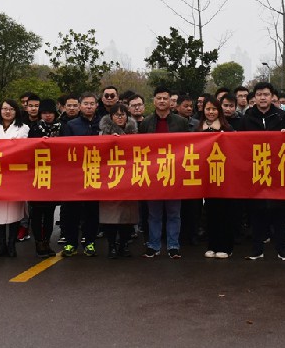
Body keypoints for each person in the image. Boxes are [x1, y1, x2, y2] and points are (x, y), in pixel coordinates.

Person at [240, 81, 285, 262]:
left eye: (266, 94)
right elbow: (240, 144)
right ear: (254, 97)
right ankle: (257, 250)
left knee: (279, 211)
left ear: (272, 97)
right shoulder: (247, 118)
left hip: (277, 169)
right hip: (255, 169)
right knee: (257, 211)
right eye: (259, 94)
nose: (262, 98)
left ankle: (282, 250)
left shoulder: (281, 116)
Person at [138, 86, 191, 259]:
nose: (162, 101)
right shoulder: (146, 123)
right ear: (154, 101)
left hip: (174, 172)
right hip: (153, 173)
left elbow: (188, 145)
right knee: (154, 214)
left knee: (174, 213)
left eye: (165, 98)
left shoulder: (181, 122)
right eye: (159, 98)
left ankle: (173, 245)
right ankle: (153, 245)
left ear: (170, 101)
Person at [59, 93, 103, 257]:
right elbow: (63, 147)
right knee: (72, 210)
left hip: (96, 172)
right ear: (80, 106)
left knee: (92, 210)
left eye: (92, 103)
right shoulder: (71, 125)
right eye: (85, 103)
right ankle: (71, 243)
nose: (89, 106)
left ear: (96, 105)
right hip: (75, 173)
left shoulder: (103, 124)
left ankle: (90, 241)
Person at [0, 99, 29, 258]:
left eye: (11, 109)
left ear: (16, 111)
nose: (7, 111)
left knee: (14, 211)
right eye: (4, 108)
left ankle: (11, 244)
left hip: (14, 174)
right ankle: (1, 244)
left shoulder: (23, 128)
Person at [98, 104, 138, 259]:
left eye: (123, 114)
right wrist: (109, 141)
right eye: (116, 115)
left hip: (129, 177)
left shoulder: (134, 133)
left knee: (127, 216)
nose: (120, 117)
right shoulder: (103, 134)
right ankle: (111, 245)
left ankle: (124, 244)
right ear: (111, 117)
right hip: (109, 178)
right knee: (110, 215)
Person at [199, 96, 236, 259]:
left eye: (214, 109)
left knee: (225, 212)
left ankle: (226, 246)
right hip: (207, 176)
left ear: (219, 110)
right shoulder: (198, 128)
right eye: (208, 109)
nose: (211, 112)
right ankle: (212, 245)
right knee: (211, 212)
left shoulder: (227, 128)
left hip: (225, 176)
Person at [28, 98, 61, 257]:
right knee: (36, 212)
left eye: (51, 113)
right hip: (36, 175)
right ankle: (38, 242)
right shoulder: (33, 129)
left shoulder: (62, 128)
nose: (48, 116)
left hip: (54, 176)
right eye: (45, 113)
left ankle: (47, 242)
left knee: (49, 212)